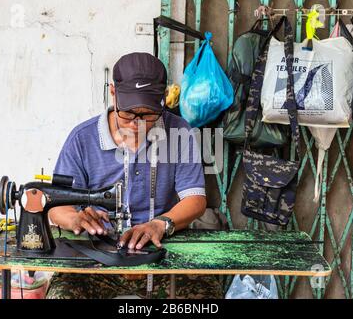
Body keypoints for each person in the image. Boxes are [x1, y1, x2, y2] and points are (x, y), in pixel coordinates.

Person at [46, 52, 223, 299]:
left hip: (162, 254)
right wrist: (75, 220)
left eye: (148, 114)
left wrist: (160, 224)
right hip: (97, 257)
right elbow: (56, 206)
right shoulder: (82, 139)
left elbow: (195, 200)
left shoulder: (179, 132)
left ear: (163, 99)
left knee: (206, 297)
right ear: (113, 93)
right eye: (128, 114)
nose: (136, 123)